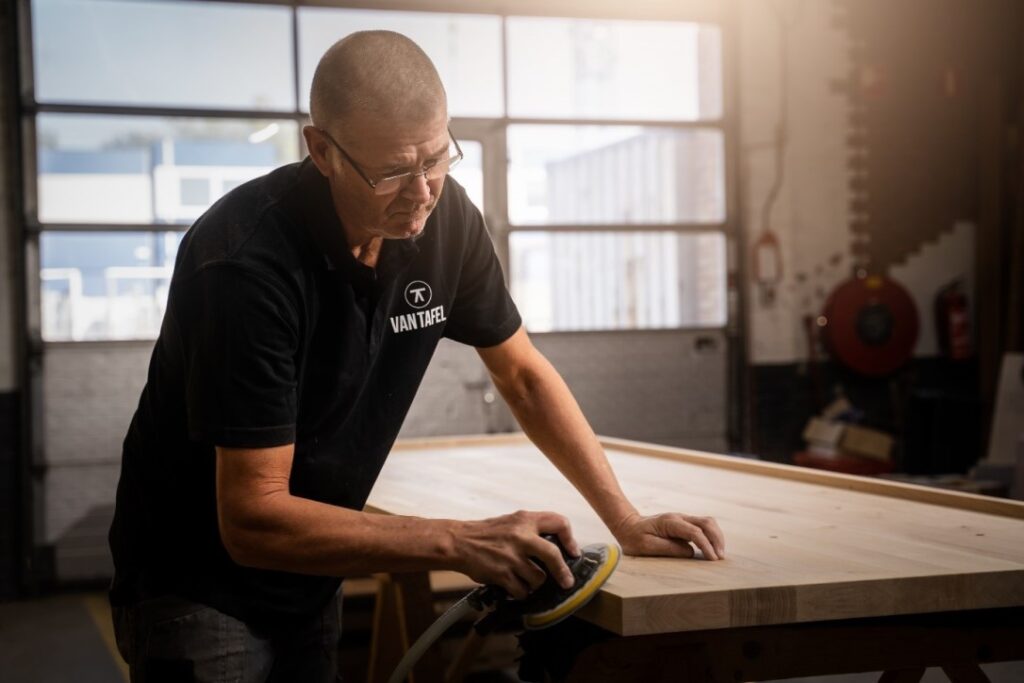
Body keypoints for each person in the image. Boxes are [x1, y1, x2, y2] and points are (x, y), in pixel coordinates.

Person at [108, 30, 726, 682]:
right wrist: (459, 540)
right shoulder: (242, 264)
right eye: (394, 171)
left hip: (309, 572)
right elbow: (251, 517)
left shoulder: (447, 220)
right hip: (194, 582)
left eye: (437, 158)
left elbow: (522, 374)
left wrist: (624, 518)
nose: (423, 191)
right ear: (321, 150)